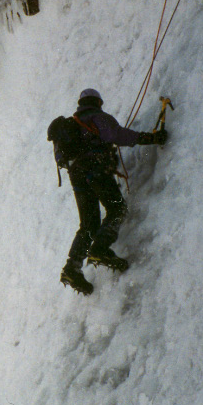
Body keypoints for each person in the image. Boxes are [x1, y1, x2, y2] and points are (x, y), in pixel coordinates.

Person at [59, 88, 167, 295]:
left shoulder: (72, 125)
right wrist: (151, 138)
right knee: (117, 209)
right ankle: (100, 249)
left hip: (77, 176)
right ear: (98, 102)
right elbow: (118, 135)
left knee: (89, 224)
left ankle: (72, 268)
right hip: (96, 169)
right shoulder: (97, 117)